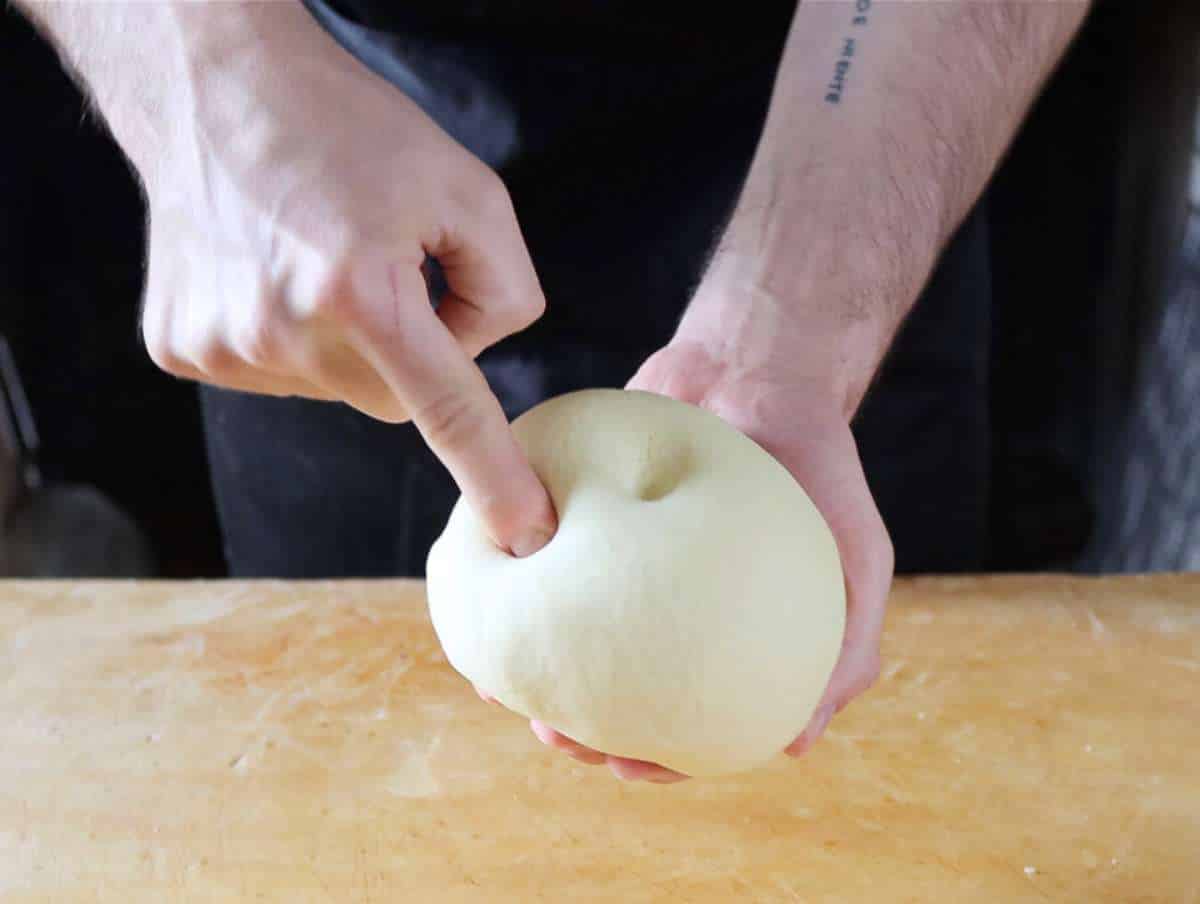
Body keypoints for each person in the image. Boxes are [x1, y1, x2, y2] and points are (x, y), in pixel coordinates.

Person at [17, 1, 1092, 782]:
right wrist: (199, 62)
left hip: (845, 143)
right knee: (359, 761)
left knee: (862, 773)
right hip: (321, 211)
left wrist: (798, 320)